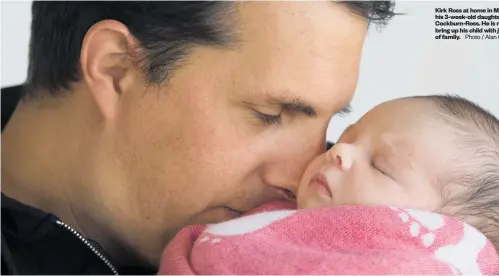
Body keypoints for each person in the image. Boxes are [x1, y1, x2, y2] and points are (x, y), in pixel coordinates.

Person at [1, 1, 397, 274]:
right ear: (116, 68)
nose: (305, 177)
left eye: (332, 126)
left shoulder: (367, 212)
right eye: (270, 116)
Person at [158, 95, 499, 275]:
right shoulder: (280, 209)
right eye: (347, 135)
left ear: (430, 233)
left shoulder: (410, 268)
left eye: (381, 166)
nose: (338, 151)